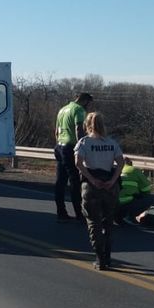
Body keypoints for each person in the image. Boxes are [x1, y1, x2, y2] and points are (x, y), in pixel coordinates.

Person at [75, 111, 123, 270]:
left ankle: (100, 258)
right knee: (108, 222)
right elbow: (121, 163)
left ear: (87, 125)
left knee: (93, 223)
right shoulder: (111, 143)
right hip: (110, 186)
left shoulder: (84, 142)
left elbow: (78, 163)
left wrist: (91, 179)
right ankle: (108, 256)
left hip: (91, 185)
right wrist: (113, 180)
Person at [53, 92, 93, 222]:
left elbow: (56, 130)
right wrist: (81, 147)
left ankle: (61, 212)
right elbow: (78, 129)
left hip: (59, 146)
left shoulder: (63, 109)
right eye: (89, 104)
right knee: (75, 181)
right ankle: (79, 214)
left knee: (60, 181)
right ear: (85, 101)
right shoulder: (79, 110)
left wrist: (58, 144)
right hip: (70, 147)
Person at [116, 158, 151, 225]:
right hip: (126, 202)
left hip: (112, 202)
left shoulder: (115, 170)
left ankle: (116, 216)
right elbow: (146, 188)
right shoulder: (134, 170)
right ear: (131, 164)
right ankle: (129, 216)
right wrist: (139, 192)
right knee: (148, 199)